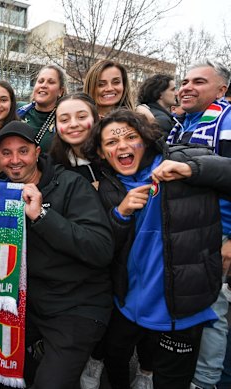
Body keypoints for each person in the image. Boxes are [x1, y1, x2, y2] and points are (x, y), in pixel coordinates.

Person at [84, 109, 231, 389]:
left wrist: (193, 170)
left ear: (147, 140)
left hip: (181, 308)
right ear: (102, 154)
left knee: (170, 380)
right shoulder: (107, 188)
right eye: (112, 143)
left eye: (131, 137)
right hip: (128, 303)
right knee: (115, 357)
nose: (123, 145)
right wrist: (120, 213)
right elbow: (103, 248)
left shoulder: (181, 159)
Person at [0, 120, 114, 388]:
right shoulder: (3, 191)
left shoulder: (71, 184)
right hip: (33, 302)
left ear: (37, 152)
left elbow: (101, 249)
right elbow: (7, 252)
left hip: (78, 305)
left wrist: (42, 215)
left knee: (50, 383)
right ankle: (47, 373)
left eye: (23, 151)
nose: (14, 160)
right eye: (6, 153)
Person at [166, 59, 231, 389]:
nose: (186, 87)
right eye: (185, 81)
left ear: (222, 90)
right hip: (185, 233)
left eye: (199, 82)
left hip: (217, 236)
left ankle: (205, 382)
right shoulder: (183, 124)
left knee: (213, 312)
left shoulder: (228, 122)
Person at [49, 92, 101, 187]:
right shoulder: (51, 166)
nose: (73, 124)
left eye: (81, 117)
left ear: (95, 119)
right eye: (64, 120)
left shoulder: (112, 158)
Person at [17, 64, 66, 152]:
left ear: (60, 91)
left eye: (51, 82)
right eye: (40, 81)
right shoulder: (18, 109)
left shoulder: (64, 119)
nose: (43, 85)